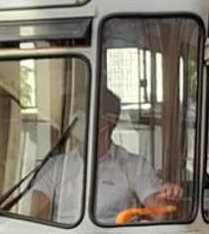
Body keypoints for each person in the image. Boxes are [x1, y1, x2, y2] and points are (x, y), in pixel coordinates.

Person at [30, 87, 182, 224]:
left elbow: (160, 212)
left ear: (110, 120)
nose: (76, 118)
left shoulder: (134, 166)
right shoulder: (56, 167)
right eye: (75, 110)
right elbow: (35, 218)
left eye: (83, 110)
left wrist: (169, 195)